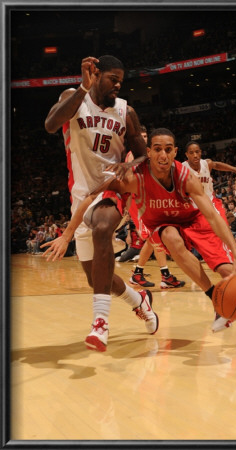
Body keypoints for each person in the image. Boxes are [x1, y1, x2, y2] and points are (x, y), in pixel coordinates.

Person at [44, 128, 236, 348]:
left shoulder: (185, 176)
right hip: (166, 225)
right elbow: (91, 194)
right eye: (156, 148)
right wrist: (67, 235)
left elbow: (214, 218)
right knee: (168, 236)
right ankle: (215, 299)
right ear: (148, 151)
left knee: (231, 271)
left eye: (168, 149)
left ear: (175, 152)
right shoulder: (135, 178)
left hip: (195, 221)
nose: (162, 154)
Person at [43, 55, 159, 352]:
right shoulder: (74, 98)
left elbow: (143, 153)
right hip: (81, 195)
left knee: (104, 225)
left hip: (112, 189)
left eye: (121, 80)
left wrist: (130, 167)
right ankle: (140, 301)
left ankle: (100, 322)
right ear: (96, 76)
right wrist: (83, 88)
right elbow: (51, 124)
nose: (118, 85)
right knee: (97, 278)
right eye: (112, 79)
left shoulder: (126, 111)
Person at [126, 125, 185, 289]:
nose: (144, 138)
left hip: (151, 201)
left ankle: (138, 273)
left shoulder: (151, 155)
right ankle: (164, 276)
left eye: (146, 136)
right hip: (138, 203)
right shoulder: (133, 155)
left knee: (153, 240)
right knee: (156, 237)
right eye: (141, 136)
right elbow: (130, 184)